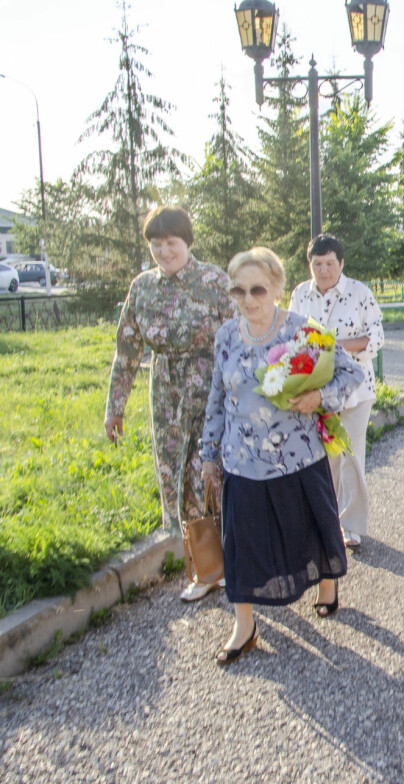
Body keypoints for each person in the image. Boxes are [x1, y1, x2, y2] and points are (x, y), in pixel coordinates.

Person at [200, 247, 363, 665]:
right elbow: (217, 397)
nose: (248, 299)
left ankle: (327, 583)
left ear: (276, 287)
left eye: (257, 289)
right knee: (241, 545)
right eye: (238, 290)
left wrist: (318, 397)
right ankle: (244, 626)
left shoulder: (301, 330)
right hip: (241, 460)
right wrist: (208, 454)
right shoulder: (226, 335)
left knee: (309, 528)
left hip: (297, 456)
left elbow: (352, 373)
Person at [104, 205, 235, 603]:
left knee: (213, 475)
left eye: (171, 242)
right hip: (166, 393)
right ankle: (208, 570)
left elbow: (241, 333)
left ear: (187, 241)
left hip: (213, 389)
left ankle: (236, 561)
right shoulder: (142, 287)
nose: (164, 251)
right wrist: (115, 408)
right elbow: (127, 349)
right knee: (179, 481)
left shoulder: (214, 279)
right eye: (156, 244)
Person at [289, 234, 384, 550]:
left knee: (351, 456)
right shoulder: (300, 294)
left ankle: (352, 525)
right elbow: (293, 336)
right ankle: (327, 521)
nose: (324, 270)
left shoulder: (360, 293)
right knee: (324, 458)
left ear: (341, 264)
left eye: (330, 263)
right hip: (318, 392)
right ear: (310, 265)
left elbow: (375, 337)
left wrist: (333, 345)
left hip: (355, 390)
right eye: (318, 264)